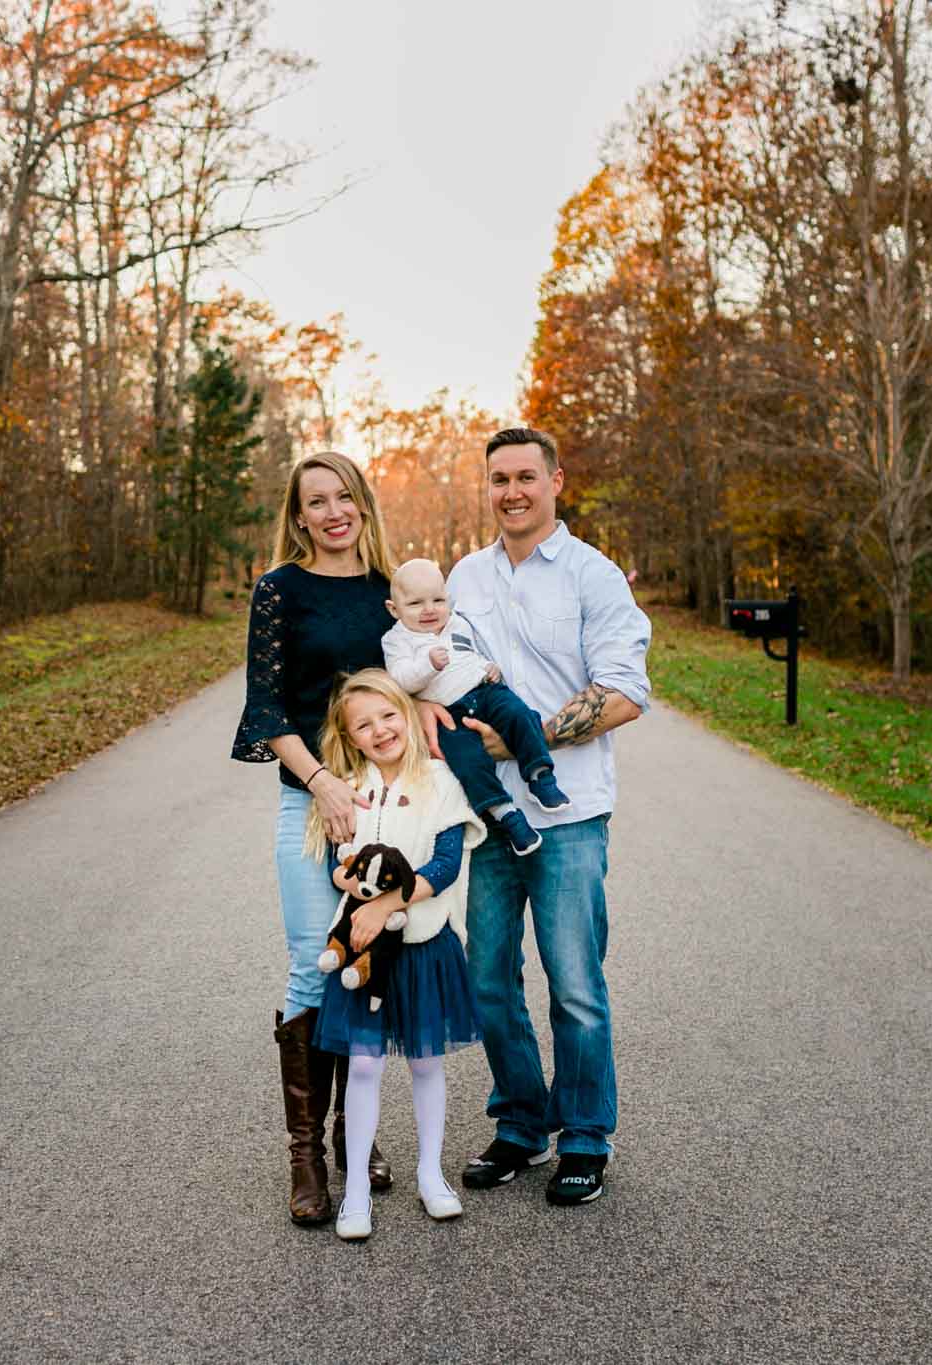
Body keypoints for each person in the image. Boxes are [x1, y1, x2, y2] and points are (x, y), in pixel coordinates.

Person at [433, 426, 651, 1208]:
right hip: (487, 819)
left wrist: (521, 735)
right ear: (486, 487)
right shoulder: (462, 576)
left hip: (570, 816)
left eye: (527, 476)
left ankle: (586, 1137)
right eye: (499, 479)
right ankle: (522, 1123)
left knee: (574, 984)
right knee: (488, 979)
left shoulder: (592, 576)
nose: (513, 491)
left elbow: (624, 690)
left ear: (558, 480)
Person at [230, 451, 398, 1225]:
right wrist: (323, 783)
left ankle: (354, 1136)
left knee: (367, 969)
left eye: (343, 497)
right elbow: (267, 710)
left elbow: (424, 687)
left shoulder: (390, 593)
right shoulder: (279, 591)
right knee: (311, 965)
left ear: (361, 503)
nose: (332, 512)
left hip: (387, 810)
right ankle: (306, 1156)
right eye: (315, 502)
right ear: (298, 517)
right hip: (309, 804)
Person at [308, 669, 488, 1241]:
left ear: (407, 715)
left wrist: (386, 904)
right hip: (362, 951)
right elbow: (344, 863)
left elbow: (444, 865)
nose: (380, 730)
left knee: (425, 1062)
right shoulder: (350, 788)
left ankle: (431, 1174)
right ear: (350, 736)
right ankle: (356, 1188)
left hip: (423, 944)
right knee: (362, 1065)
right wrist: (352, 885)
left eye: (388, 715)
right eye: (364, 724)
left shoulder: (440, 781)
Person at [380, 557, 568, 857]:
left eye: (438, 600)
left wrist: (490, 667)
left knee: (520, 715)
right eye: (416, 603)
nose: (430, 610)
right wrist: (427, 665)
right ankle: (505, 814)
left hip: (485, 690)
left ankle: (540, 775)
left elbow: (471, 655)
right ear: (394, 609)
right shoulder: (396, 640)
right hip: (448, 712)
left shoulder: (457, 623)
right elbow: (400, 679)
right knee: (466, 760)